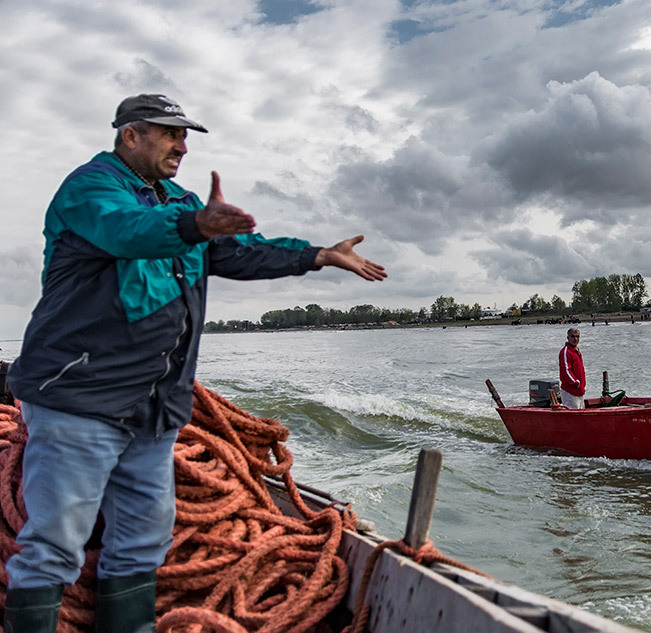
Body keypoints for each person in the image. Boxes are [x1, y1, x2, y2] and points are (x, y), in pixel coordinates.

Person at [3, 94, 386, 633]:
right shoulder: (89, 190)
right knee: (52, 547)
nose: (182, 145)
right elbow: (128, 233)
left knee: (141, 543)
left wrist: (317, 254)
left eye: (187, 136)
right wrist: (197, 226)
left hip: (153, 410)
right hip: (80, 402)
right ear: (131, 135)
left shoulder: (182, 205)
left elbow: (241, 252)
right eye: (170, 133)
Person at [559, 328, 586, 409]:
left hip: (579, 391)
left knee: (581, 416)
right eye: (573, 336)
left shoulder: (577, 351)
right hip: (570, 392)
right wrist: (576, 382)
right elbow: (566, 371)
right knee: (572, 415)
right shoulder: (566, 352)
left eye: (577, 337)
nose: (575, 339)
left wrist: (582, 384)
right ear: (568, 338)